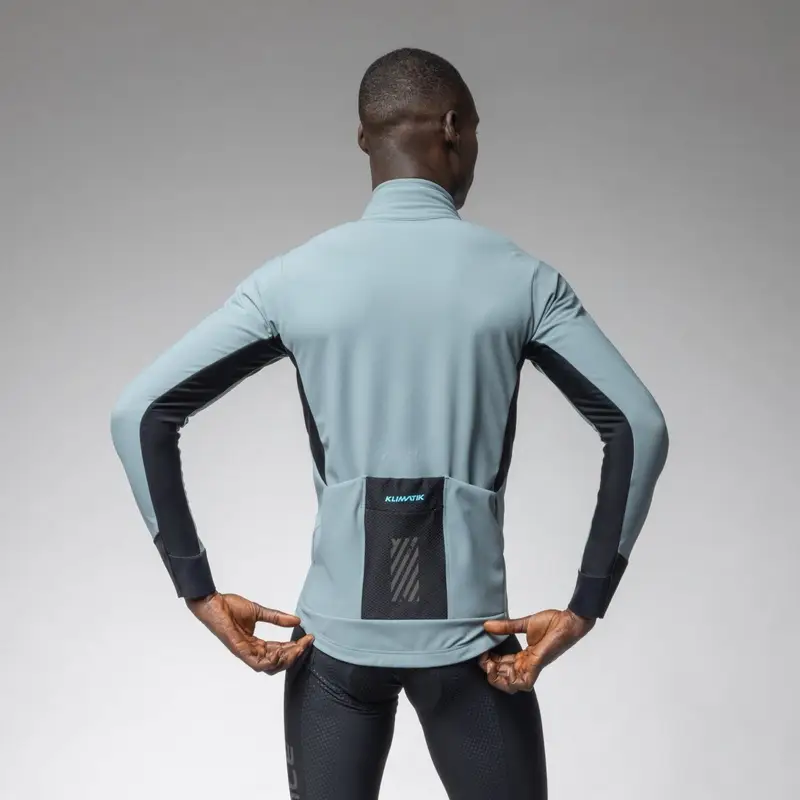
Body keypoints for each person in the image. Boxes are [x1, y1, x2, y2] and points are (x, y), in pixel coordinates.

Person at [110, 46, 669, 800]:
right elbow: (639, 426)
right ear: (453, 128)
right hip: (475, 650)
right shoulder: (524, 280)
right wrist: (585, 604)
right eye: (476, 131)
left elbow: (140, 414)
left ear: (363, 138)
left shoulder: (291, 280)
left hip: (330, 649)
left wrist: (197, 589)